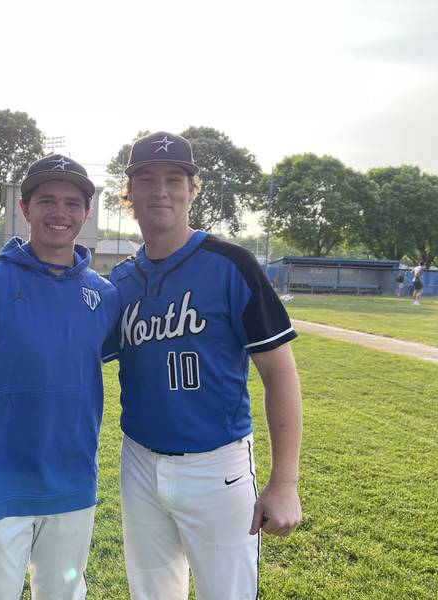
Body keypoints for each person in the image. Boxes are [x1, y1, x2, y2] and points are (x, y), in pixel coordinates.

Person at [102, 132, 303, 600]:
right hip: (138, 461)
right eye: (147, 179)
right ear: (128, 193)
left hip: (218, 465)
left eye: (175, 178)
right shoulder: (120, 282)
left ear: (194, 189)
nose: (161, 190)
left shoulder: (231, 265)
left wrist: (285, 481)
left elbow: (280, 373)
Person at [0, 154, 119, 599]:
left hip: (72, 484)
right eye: (47, 200)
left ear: (86, 214)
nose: (60, 213)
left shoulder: (105, 296)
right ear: (25, 209)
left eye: (72, 203)